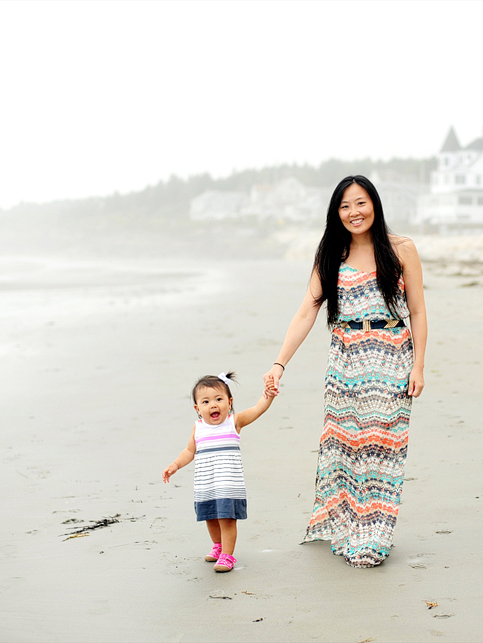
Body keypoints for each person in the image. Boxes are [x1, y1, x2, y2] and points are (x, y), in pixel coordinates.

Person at [264, 175, 427, 568]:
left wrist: (418, 365)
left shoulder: (402, 249)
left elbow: (418, 311)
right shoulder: (331, 255)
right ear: (336, 213)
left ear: (375, 204)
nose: (354, 213)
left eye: (361, 203)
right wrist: (278, 363)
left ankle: (374, 535)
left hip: (391, 357)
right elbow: (307, 311)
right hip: (345, 361)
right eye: (345, 206)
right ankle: (349, 524)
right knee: (347, 447)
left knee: (382, 449)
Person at [162, 372, 275, 573]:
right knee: (211, 517)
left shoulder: (234, 422)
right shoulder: (198, 428)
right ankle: (218, 545)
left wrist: (268, 395)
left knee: (226, 518)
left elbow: (258, 409)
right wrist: (175, 465)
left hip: (228, 484)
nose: (213, 405)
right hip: (206, 483)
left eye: (219, 399)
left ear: (229, 403)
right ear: (197, 408)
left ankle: (228, 555)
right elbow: (189, 451)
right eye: (206, 401)